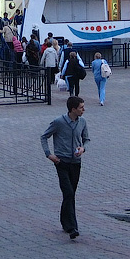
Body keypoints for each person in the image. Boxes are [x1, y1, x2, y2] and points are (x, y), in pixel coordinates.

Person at [40, 96, 89, 240]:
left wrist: (83, 149)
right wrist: (49, 155)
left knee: (70, 193)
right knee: (68, 192)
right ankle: (73, 227)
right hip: (61, 162)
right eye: (81, 107)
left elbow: (86, 139)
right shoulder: (59, 122)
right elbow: (44, 137)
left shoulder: (82, 122)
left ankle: (65, 221)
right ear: (73, 109)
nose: (84, 110)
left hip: (76, 163)